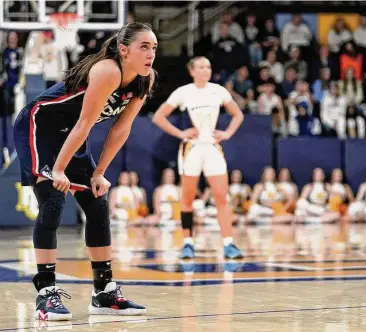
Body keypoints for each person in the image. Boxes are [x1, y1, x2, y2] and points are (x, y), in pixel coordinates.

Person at [13, 22, 156, 320]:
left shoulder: (145, 79)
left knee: (97, 203)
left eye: (154, 48)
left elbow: (121, 129)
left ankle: (104, 293)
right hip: (40, 125)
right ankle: (46, 292)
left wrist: (98, 172)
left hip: (71, 133)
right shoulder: (108, 71)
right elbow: (84, 124)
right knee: (52, 202)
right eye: (144, 46)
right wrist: (59, 170)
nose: (151, 54)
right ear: (124, 50)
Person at [152, 56, 244, 259]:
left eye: (208, 67)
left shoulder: (218, 90)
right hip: (191, 149)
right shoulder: (184, 92)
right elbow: (158, 116)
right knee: (187, 198)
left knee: (221, 197)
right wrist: (180, 133)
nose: (205, 70)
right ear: (192, 71)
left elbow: (238, 114)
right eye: (201, 67)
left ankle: (228, 244)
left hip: (212, 147)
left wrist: (227, 133)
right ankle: (187, 243)